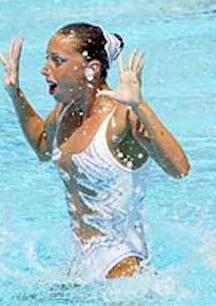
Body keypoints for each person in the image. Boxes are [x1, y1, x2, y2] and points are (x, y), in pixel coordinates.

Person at [0, 22, 190, 281]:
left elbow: (179, 169)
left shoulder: (122, 118)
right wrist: (14, 92)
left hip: (121, 267)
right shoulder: (66, 112)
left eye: (58, 61)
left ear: (92, 69)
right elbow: (44, 147)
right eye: (47, 59)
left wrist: (139, 106)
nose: (45, 70)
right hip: (81, 263)